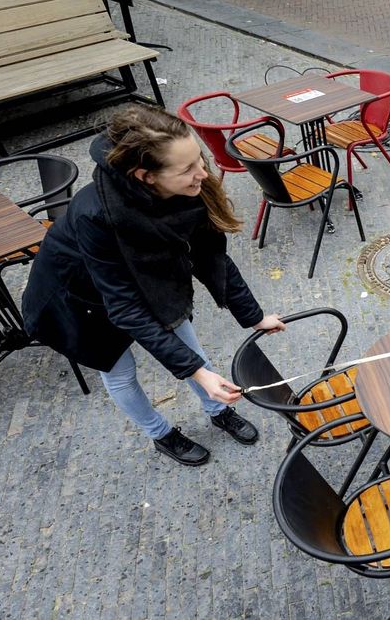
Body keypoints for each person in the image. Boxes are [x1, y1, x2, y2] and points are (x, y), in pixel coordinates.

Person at [22, 105, 286, 466]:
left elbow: (212, 256)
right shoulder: (95, 215)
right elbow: (125, 307)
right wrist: (193, 370)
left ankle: (216, 407)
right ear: (146, 176)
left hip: (148, 281)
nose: (203, 173)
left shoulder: (188, 186)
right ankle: (160, 433)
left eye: (199, 159)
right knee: (121, 372)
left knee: (192, 351)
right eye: (189, 168)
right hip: (78, 299)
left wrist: (253, 316)